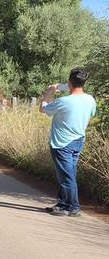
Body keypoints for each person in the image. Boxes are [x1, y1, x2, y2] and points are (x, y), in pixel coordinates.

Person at [39, 67, 97, 217]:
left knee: (66, 177)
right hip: (78, 140)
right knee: (68, 173)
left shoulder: (63, 101)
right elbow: (91, 113)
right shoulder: (90, 99)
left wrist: (49, 92)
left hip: (61, 143)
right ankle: (63, 203)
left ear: (70, 82)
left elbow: (43, 109)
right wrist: (65, 86)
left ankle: (72, 207)